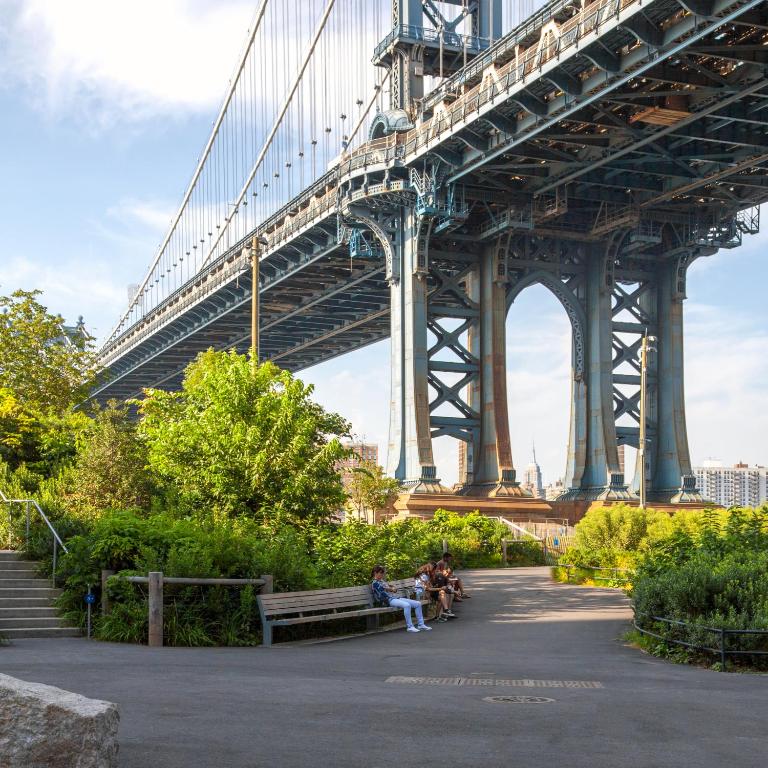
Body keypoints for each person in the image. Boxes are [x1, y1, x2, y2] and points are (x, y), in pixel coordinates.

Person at [371, 565, 432, 633]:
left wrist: (391, 588)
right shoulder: (375, 583)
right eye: (380, 573)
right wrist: (390, 589)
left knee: (418, 604)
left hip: (395, 598)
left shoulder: (382, 581)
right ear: (375, 573)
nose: (382, 575)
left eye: (382, 573)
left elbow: (393, 589)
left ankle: (421, 625)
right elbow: (383, 593)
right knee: (407, 605)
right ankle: (410, 627)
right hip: (387, 601)